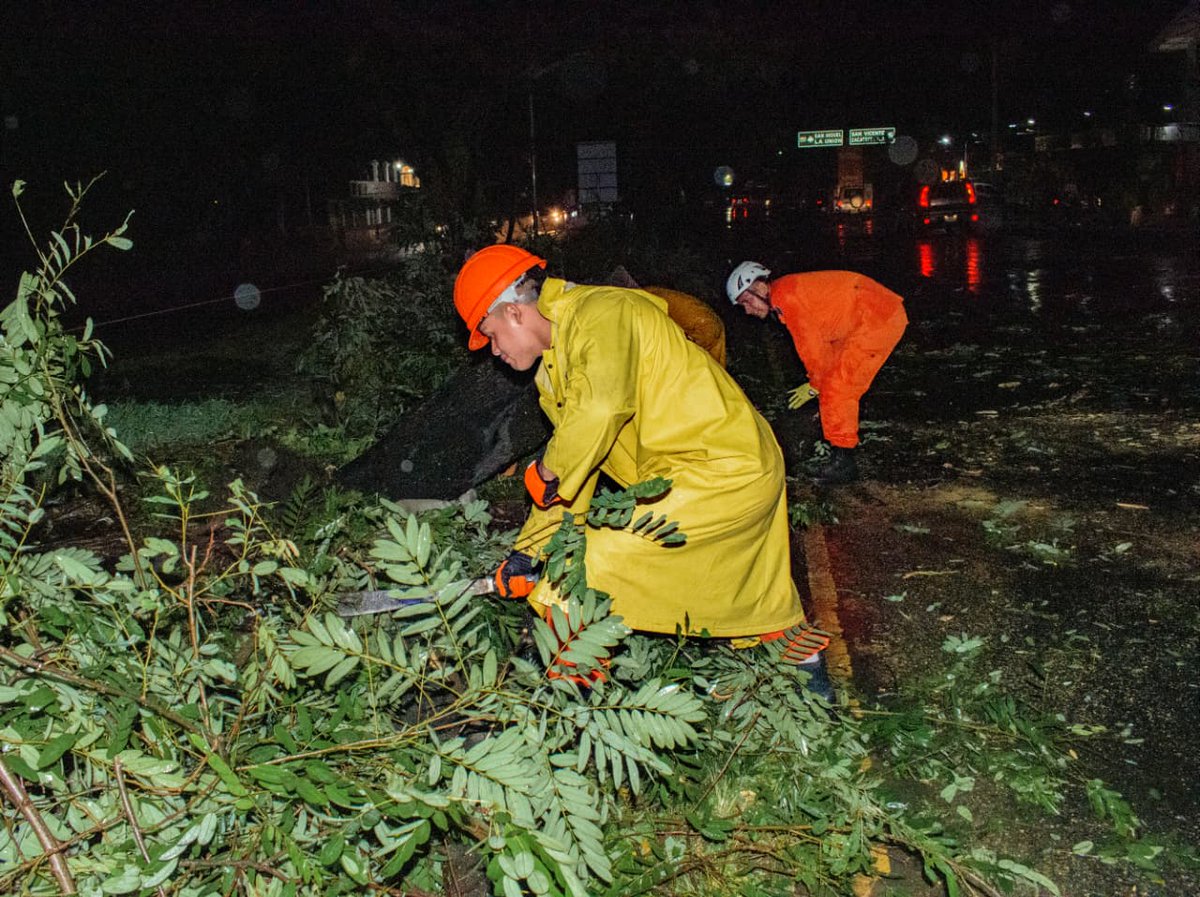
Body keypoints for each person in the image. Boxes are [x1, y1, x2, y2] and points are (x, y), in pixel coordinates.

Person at [452, 244, 828, 677]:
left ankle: (572, 712)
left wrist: (549, 470)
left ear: (513, 313)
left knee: (577, 577)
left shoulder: (602, 313)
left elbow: (597, 414)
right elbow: (581, 467)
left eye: (490, 334)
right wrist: (528, 551)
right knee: (753, 595)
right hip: (700, 473)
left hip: (721, 469)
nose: (492, 351)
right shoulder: (553, 371)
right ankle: (813, 682)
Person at [726, 262, 907, 486]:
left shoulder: (787, 298)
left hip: (877, 318)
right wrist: (817, 381)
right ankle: (840, 454)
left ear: (759, 287)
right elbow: (823, 348)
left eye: (746, 301)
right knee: (832, 380)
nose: (747, 310)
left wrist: (814, 384)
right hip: (865, 318)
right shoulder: (785, 294)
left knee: (838, 386)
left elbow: (812, 351)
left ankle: (844, 463)